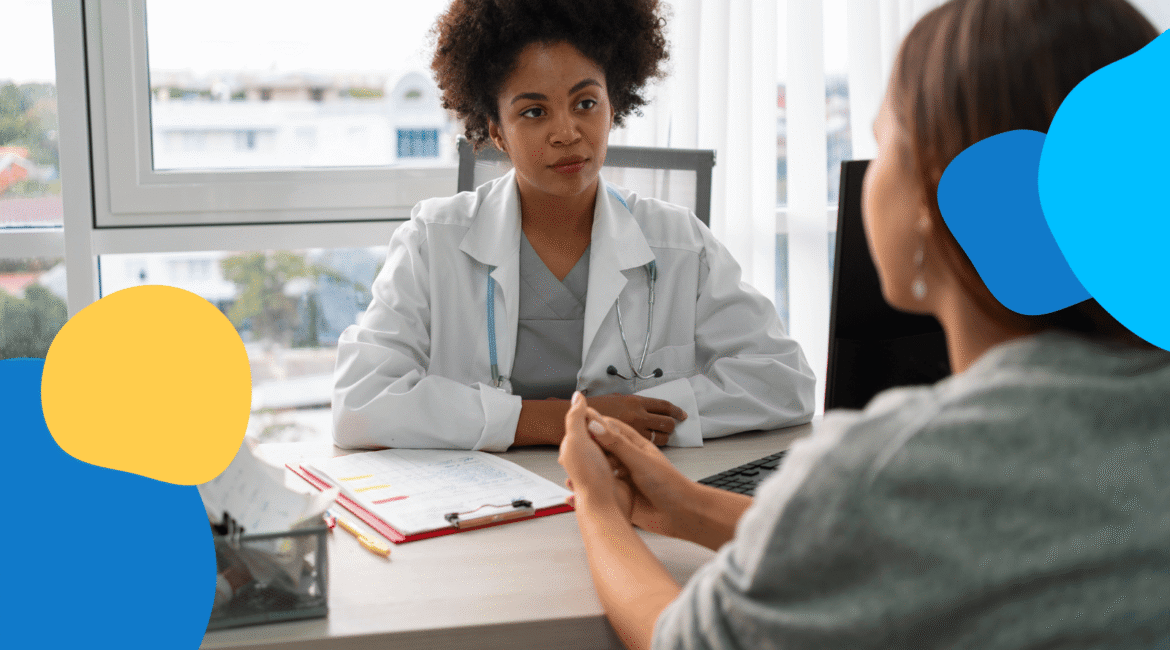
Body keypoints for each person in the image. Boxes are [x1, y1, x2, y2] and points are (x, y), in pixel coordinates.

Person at [557, 0, 1170, 648]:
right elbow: (945, 543)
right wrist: (686, 506)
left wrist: (598, 511)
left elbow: (683, 639)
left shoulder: (890, 470)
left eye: (883, 145)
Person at [332, 0, 816, 451]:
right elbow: (360, 400)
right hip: (491, 507)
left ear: (614, 104)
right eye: (534, 112)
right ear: (496, 129)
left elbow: (784, 383)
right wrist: (565, 421)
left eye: (586, 103)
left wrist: (643, 420)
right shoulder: (432, 241)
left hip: (630, 495)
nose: (567, 133)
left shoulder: (678, 243)